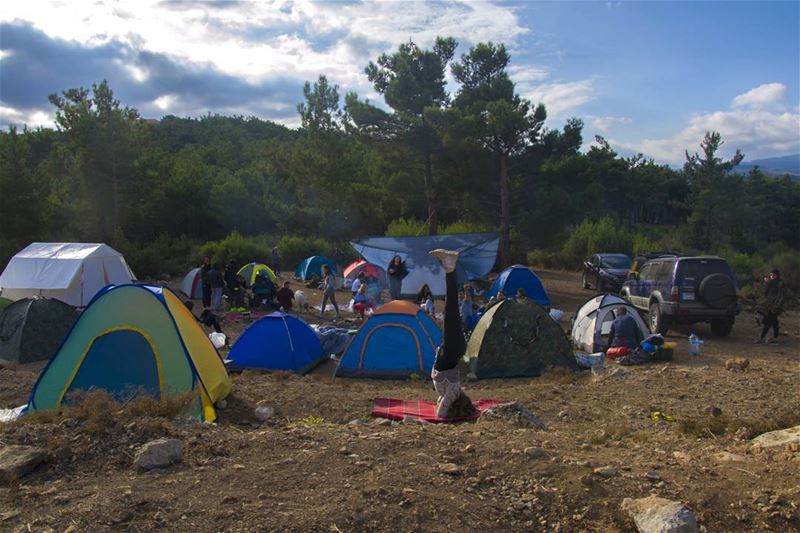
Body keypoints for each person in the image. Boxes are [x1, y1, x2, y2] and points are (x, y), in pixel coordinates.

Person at [429, 249, 476, 419]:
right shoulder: (454, 391)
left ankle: (449, 265)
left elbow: (441, 400)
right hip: (453, 349)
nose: (445, 403)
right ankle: (450, 266)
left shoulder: (444, 394)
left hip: (449, 350)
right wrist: (443, 413)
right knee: (451, 309)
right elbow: (440, 414)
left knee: (451, 309)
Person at [755, 269, 786, 344]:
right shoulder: (771, 284)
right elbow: (766, 293)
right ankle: (773, 337)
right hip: (768, 305)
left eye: (773, 275)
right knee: (772, 322)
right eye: (771, 275)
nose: (772, 277)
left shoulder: (780, 284)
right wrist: (767, 283)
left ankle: (762, 338)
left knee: (768, 322)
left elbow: (781, 296)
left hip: (775, 306)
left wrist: (777, 306)